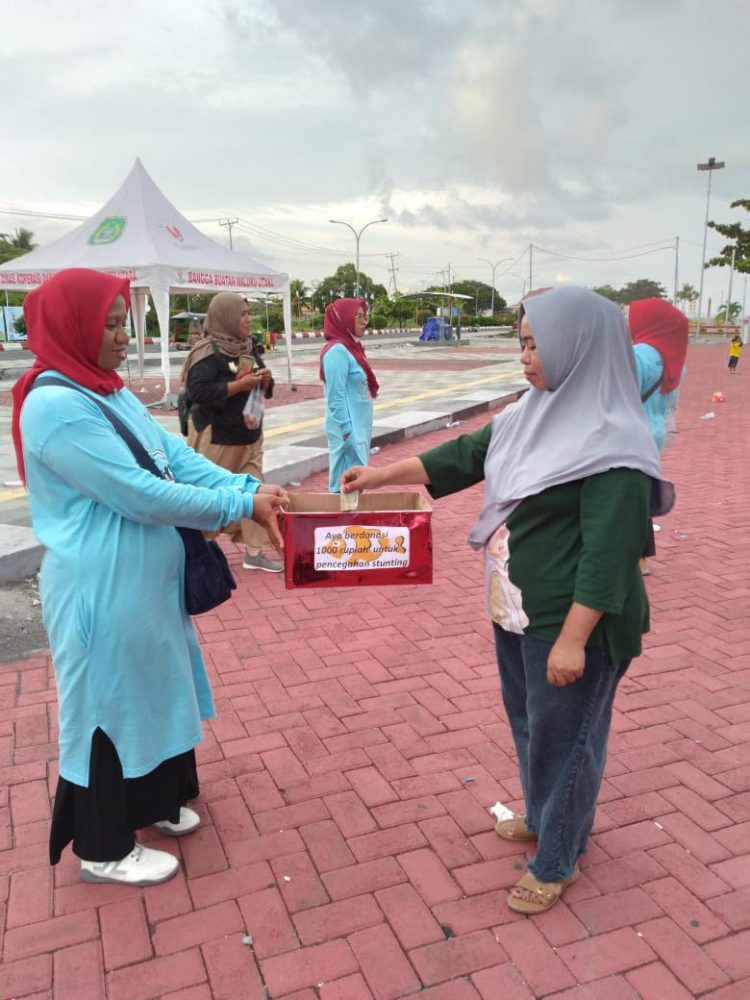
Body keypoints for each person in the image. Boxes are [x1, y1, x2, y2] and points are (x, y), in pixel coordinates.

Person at [343, 287, 662, 914]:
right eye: (521, 343)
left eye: (536, 344)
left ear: (579, 346)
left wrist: (573, 639)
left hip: (574, 624)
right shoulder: (531, 414)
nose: (525, 357)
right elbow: (464, 455)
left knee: (566, 740)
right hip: (516, 608)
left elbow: (609, 555)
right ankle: (549, 817)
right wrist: (379, 477)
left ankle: (557, 858)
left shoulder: (613, 444)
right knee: (533, 727)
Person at [12, 268, 287, 886]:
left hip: (143, 588)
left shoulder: (107, 391)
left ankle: (157, 802)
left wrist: (245, 486)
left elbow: (177, 459)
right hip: (99, 590)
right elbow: (140, 494)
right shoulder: (55, 405)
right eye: (108, 325)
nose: (121, 337)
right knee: (108, 704)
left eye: (123, 323)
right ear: (72, 326)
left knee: (157, 688)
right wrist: (238, 506)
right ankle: (104, 847)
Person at [181, 292, 282, 572]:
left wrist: (265, 381)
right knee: (210, 497)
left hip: (249, 434)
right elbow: (198, 392)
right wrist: (240, 385)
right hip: (217, 438)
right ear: (225, 317)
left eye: (249, 313)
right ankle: (194, 553)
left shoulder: (248, 348)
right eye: (242, 314)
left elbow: (265, 387)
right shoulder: (205, 353)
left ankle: (254, 552)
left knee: (255, 492)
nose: (248, 319)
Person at [628, 298, 689, 574]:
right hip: (655, 433)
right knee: (640, 494)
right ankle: (642, 557)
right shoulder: (673, 357)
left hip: (629, 433)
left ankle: (633, 558)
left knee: (624, 496)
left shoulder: (637, 354)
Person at [319, 298, 379, 493]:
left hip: (357, 429)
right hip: (347, 431)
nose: (364, 321)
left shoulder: (351, 349)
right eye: (358, 316)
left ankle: (352, 522)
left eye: (365, 316)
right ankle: (342, 522)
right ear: (343, 318)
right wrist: (347, 433)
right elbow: (334, 398)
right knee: (345, 486)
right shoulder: (337, 352)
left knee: (356, 485)